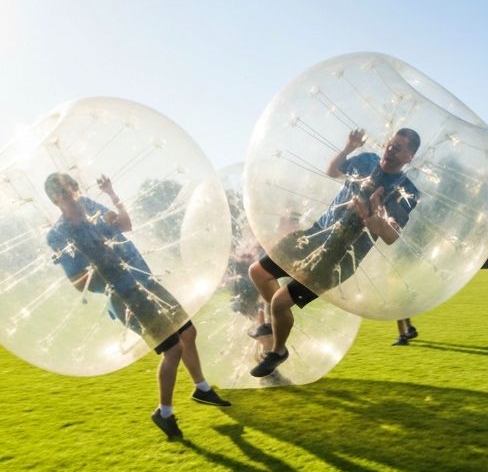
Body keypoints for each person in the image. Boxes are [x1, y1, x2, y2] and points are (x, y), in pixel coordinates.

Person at [45, 171, 230, 440]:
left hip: (144, 278)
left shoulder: (91, 207)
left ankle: (201, 388)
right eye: (66, 189)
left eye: (73, 185)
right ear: (56, 198)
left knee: (188, 332)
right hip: (124, 296)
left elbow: (125, 224)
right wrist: (102, 266)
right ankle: (164, 413)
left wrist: (111, 194)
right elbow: (77, 282)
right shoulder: (58, 234)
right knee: (173, 348)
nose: (74, 191)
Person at [247, 127, 421, 377]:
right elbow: (332, 171)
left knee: (279, 302)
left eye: (400, 148)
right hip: (316, 233)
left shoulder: (406, 190)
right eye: (391, 144)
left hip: (340, 256)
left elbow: (391, 236)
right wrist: (349, 148)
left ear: (409, 157)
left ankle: (278, 350)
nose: (391, 150)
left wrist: (371, 216)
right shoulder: (367, 160)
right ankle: (277, 322)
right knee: (258, 272)